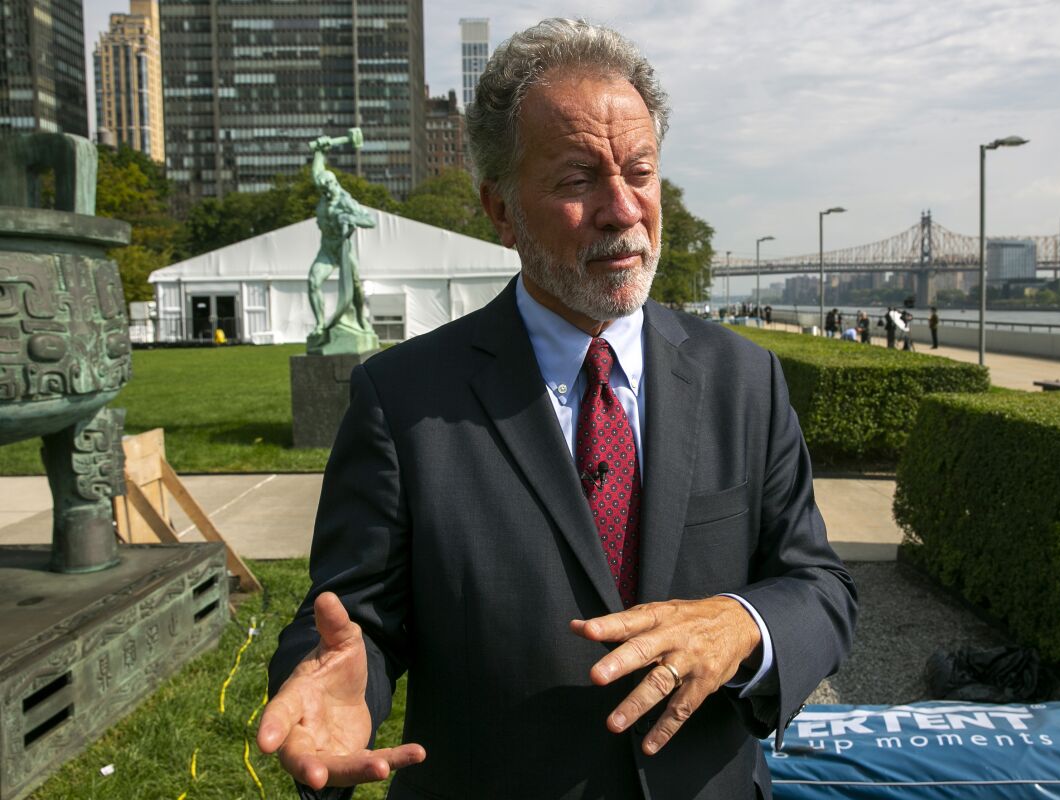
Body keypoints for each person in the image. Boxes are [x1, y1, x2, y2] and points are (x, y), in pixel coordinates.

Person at [259, 19, 856, 800]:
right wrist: (330, 679)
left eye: (640, 171)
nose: (623, 210)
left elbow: (818, 585)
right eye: (578, 180)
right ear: (500, 212)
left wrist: (743, 622)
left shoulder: (745, 380)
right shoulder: (403, 400)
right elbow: (352, 621)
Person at [305, 138, 377, 345]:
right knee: (313, 281)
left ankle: (362, 320)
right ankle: (320, 325)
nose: (325, 193)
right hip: (327, 250)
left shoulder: (345, 201)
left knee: (355, 288)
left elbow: (370, 221)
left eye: (328, 189)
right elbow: (317, 170)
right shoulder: (324, 192)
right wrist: (319, 150)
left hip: (344, 249)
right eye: (323, 190)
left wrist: (351, 219)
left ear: (334, 184)